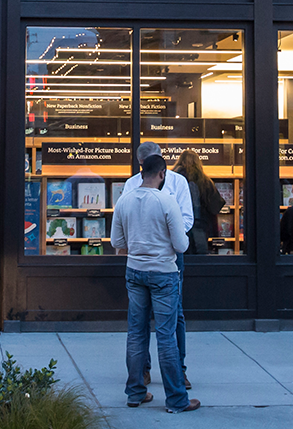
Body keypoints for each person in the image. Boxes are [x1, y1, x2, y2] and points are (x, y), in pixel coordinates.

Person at [110, 154, 198, 413]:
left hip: (134, 272)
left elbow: (117, 242)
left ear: (141, 172)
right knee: (166, 336)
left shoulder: (124, 200)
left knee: (136, 334)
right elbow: (181, 245)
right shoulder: (166, 201)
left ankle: (135, 393)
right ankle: (176, 400)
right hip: (163, 273)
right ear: (162, 174)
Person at [173, 149, 225, 255]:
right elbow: (216, 205)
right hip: (200, 225)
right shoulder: (205, 181)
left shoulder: (173, 179)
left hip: (177, 224)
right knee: (200, 255)